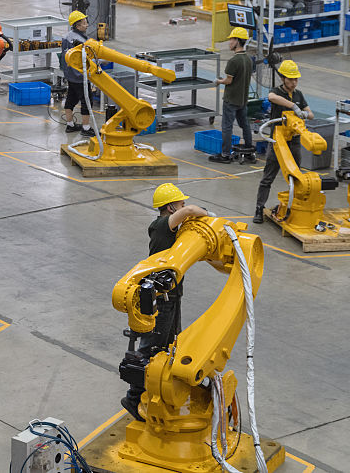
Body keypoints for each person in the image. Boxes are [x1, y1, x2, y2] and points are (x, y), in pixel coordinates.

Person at [120, 183, 209, 421]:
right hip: (161, 299)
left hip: (171, 295)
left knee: (170, 345)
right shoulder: (161, 226)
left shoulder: (169, 229)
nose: (183, 205)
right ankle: (133, 397)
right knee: (151, 349)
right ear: (170, 208)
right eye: (179, 203)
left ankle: (157, 392)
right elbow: (190, 210)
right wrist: (207, 214)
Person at [254, 59, 313, 224]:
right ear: (283, 78)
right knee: (268, 177)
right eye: (291, 79)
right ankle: (259, 208)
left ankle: (295, 208)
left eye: (296, 79)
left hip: (294, 141)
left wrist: (305, 114)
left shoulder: (299, 94)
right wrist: (293, 107)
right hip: (277, 141)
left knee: (296, 177)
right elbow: (271, 97)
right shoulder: (277, 92)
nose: (294, 82)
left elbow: (311, 114)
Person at [210, 27, 256, 164]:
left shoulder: (233, 61)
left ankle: (225, 155)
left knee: (227, 127)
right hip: (243, 99)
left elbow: (229, 81)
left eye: (231, 39)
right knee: (245, 125)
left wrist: (219, 81)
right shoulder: (249, 60)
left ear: (237, 41)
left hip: (231, 100)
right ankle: (249, 150)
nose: (229, 42)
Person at [59, 10, 96, 137]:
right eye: (84, 23)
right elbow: (89, 57)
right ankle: (86, 128)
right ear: (77, 25)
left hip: (70, 75)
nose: (87, 25)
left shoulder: (66, 37)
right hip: (80, 76)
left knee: (71, 99)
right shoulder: (81, 40)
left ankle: (70, 125)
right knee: (87, 101)